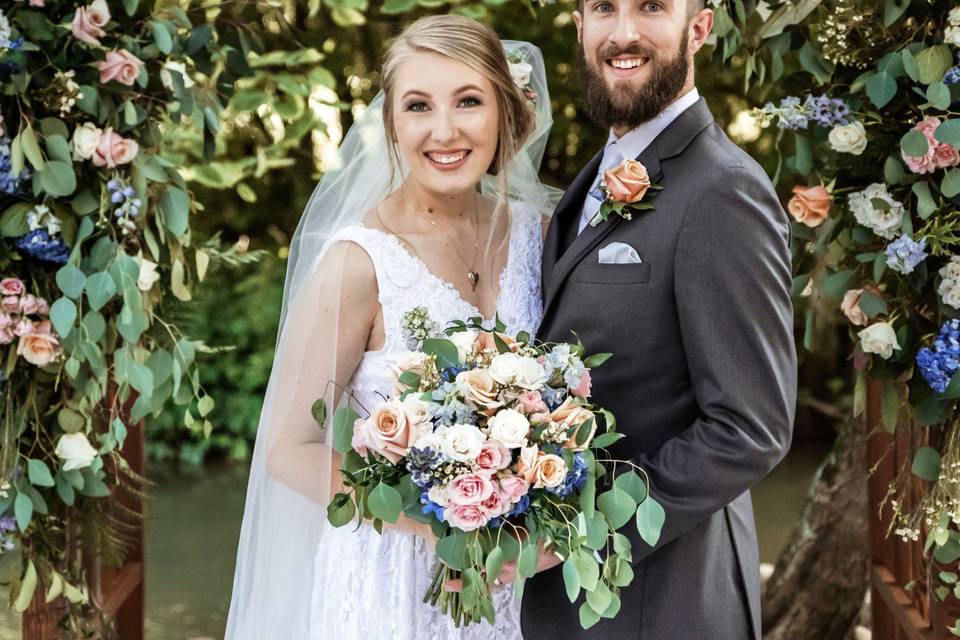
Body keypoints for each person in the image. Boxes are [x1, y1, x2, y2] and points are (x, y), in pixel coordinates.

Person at [224, 15, 559, 640]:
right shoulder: (359, 263)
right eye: (418, 106)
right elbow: (288, 449)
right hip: (389, 575)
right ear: (391, 125)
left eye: (468, 101)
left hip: (511, 579)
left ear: (505, 112)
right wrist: (452, 522)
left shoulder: (538, 237)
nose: (444, 130)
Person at [518, 1, 797, 638]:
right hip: (569, 600)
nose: (623, 32)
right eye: (603, 8)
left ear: (698, 27)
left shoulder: (724, 191)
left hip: (666, 598)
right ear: (580, 25)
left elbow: (750, 427)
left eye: (651, 6)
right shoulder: (593, 177)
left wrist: (581, 538)